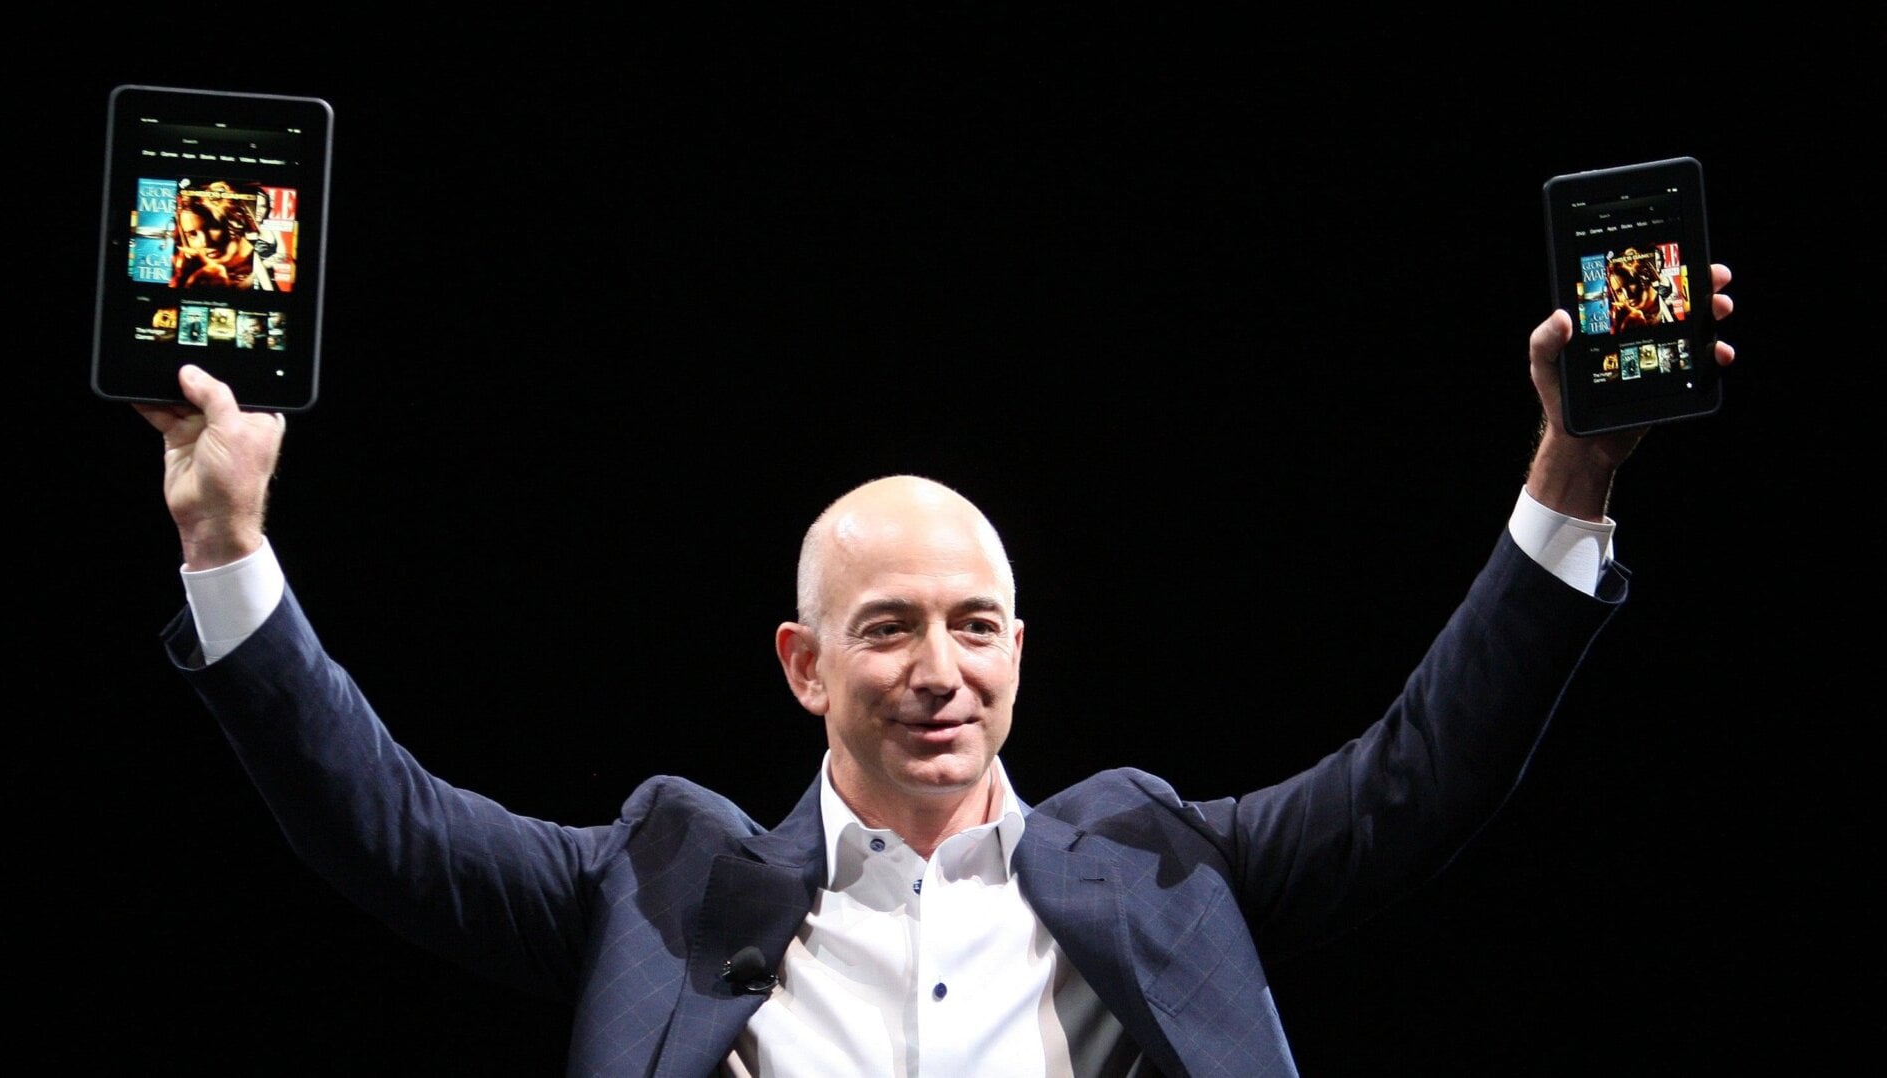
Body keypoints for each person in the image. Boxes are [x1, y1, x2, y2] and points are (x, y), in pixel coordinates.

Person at [136, 268, 1735, 1076]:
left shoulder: (1164, 859)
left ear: (1021, 653)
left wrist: (1574, 470)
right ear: (803, 665)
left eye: (975, 625)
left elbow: (1427, 765)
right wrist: (226, 541)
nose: (939, 668)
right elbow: (382, 821)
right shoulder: (666, 878)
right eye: (888, 627)